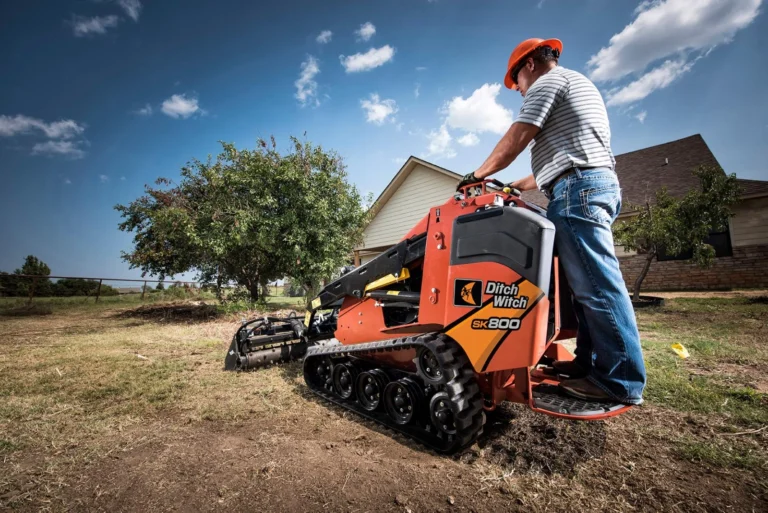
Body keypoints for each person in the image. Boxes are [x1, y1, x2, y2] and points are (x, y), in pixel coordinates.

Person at [456, 38, 646, 405]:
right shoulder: (575, 84)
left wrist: (477, 175)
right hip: (589, 184)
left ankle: (619, 381)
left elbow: (517, 136)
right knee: (581, 285)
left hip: (578, 190)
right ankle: (590, 364)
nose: (520, 91)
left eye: (517, 84)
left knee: (597, 287)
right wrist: (515, 185)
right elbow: (555, 165)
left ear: (528, 66)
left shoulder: (547, 83)